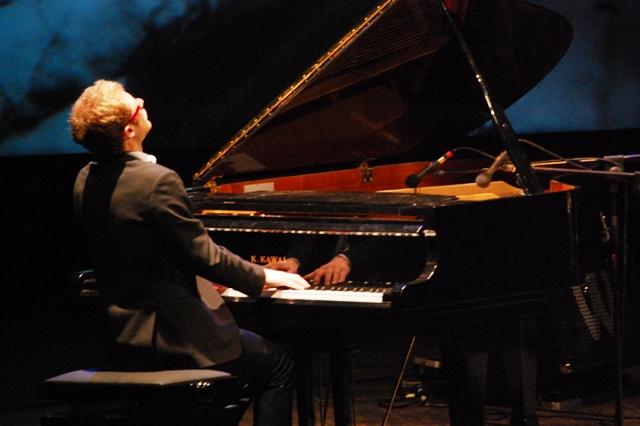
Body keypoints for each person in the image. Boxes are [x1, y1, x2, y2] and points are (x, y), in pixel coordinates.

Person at [70, 79, 309, 426]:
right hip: (172, 340)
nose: (142, 100)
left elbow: (149, 252)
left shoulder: (85, 178)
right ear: (129, 130)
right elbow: (205, 256)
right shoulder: (155, 180)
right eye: (135, 104)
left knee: (241, 377)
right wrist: (264, 276)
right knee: (278, 364)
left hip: (121, 336)